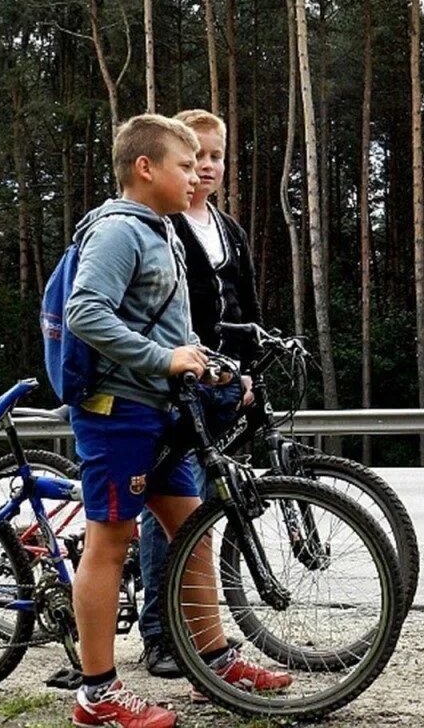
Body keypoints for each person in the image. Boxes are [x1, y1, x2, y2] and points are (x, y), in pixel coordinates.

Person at [65, 114, 287, 728]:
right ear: (146, 168)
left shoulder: (159, 230)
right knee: (110, 543)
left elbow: (172, 327)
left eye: (199, 166)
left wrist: (212, 367)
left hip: (161, 408)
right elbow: (86, 311)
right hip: (118, 411)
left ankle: (211, 660)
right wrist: (163, 359)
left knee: (193, 533)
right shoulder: (118, 230)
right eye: (185, 166)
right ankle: (97, 692)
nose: (197, 177)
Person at [138, 109, 263, 678]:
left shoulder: (227, 228)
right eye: (196, 158)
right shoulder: (160, 222)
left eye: (216, 157)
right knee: (171, 503)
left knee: (199, 506)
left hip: (219, 378)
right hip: (177, 375)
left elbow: (246, 305)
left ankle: (201, 637)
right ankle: (162, 632)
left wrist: (249, 370)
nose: (207, 167)